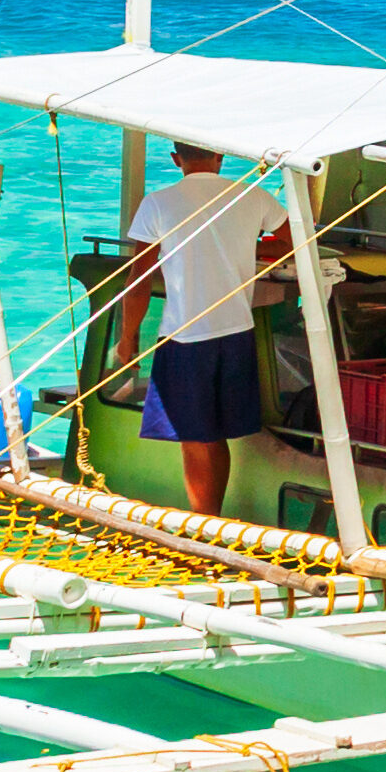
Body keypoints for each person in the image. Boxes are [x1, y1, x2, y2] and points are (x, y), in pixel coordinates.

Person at [126, 139, 292, 512]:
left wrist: (126, 341)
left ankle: (204, 531)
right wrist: (253, 250)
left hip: (186, 335)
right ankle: (211, 522)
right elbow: (297, 240)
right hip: (237, 329)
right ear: (220, 155)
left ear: (175, 159)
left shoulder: (158, 202)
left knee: (194, 438)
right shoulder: (252, 196)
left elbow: (138, 278)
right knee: (215, 436)